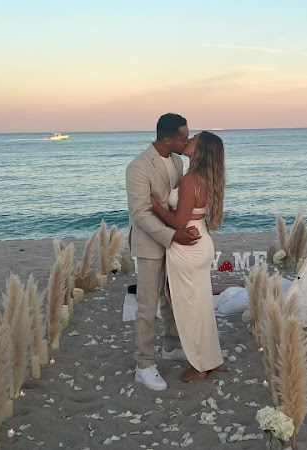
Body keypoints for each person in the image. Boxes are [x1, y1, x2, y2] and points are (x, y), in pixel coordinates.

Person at [126, 113, 200, 391]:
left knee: (172, 297)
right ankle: (144, 365)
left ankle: (171, 346)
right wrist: (173, 236)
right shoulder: (138, 167)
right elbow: (141, 214)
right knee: (147, 306)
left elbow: (175, 203)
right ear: (167, 139)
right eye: (183, 137)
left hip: (174, 240)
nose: (187, 141)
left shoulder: (179, 162)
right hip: (149, 244)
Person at [150, 131, 228, 382]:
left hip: (187, 248)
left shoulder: (191, 179)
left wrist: (155, 206)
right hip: (202, 241)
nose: (188, 140)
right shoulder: (209, 178)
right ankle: (214, 360)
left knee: (189, 308)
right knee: (202, 305)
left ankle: (198, 365)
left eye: (193, 138)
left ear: (201, 148)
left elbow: (178, 221)